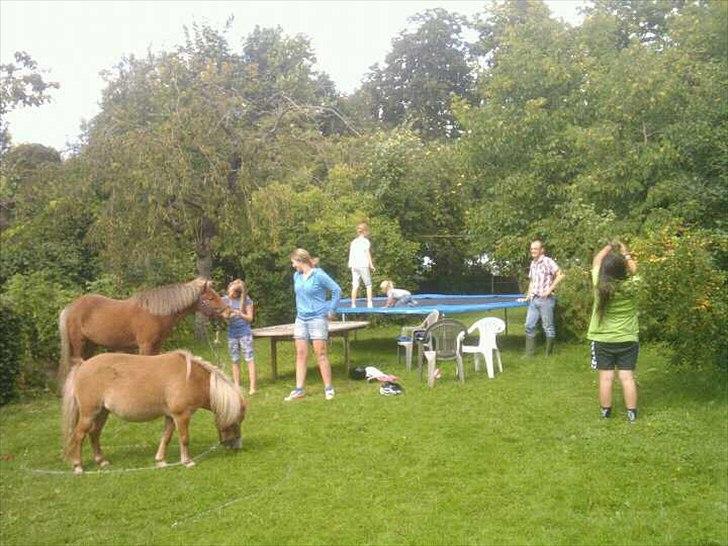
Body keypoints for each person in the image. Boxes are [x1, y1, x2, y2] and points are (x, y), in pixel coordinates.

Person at [587, 240, 639, 423]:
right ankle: (632, 414)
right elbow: (635, 271)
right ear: (623, 270)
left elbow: (596, 261)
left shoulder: (599, 286)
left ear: (604, 271)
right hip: (628, 338)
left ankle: (606, 413)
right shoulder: (633, 286)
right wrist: (625, 253)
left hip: (602, 340)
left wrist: (609, 245)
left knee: (606, 378)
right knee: (627, 377)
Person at [285, 248, 342, 401]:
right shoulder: (296, 276)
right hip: (301, 319)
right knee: (301, 354)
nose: (293, 266)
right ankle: (299, 389)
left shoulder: (319, 275)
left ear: (301, 261)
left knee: (321, 354)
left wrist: (331, 310)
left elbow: (336, 290)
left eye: (293, 262)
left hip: (317, 318)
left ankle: (329, 388)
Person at [524, 239, 565, 356]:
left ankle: (548, 354)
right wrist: (528, 296)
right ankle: (529, 354)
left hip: (546, 300)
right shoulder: (533, 263)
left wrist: (549, 290)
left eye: (535, 249)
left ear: (542, 250)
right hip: (534, 299)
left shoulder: (548, 261)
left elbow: (560, 275)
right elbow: (532, 281)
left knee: (548, 327)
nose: (533, 251)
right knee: (529, 325)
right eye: (531, 249)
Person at [222, 279, 257, 394]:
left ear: (237, 293)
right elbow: (224, 317)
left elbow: (250, 318)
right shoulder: (225, 300)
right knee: (235, 359)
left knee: (249, 358)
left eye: (231, 291)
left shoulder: (246, 301)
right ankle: (236, 385)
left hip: (244, 333)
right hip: (232, 334)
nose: (229, 293)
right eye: (229, 290)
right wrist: (227, 316)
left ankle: (253, 387)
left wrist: (240, 314)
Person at [348, 222, 375, 308]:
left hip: (354, 265)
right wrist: (371, 265)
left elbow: (351, 254)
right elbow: (367, 253)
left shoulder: (354, 242)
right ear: (365, 232)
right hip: (362, 264)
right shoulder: (365, 241)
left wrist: (351, 264)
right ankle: (369, 303)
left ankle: (353, 304)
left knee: (355, 285)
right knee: (368, 284)